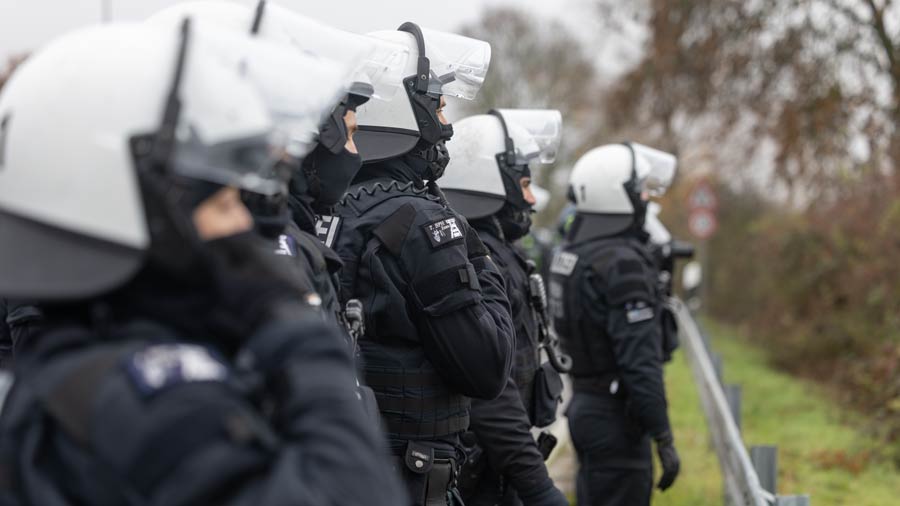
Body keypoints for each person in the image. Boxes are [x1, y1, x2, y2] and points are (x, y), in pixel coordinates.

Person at [0, 22, 405, 505]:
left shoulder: (75, 363)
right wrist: (295, 329)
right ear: (124, 206)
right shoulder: (156, 406)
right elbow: (355, 492)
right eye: (222, 203)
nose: (243, 223)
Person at [328, 22, 515, 506]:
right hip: (409, 476)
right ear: (405, 109)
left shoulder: (329, 206)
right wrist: (482, 261)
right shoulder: (421, 223)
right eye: (436, 100)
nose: (445, 114)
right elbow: (487, 367)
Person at [441, 109, 568, 506]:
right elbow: (492, 398)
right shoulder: (470, 258)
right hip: (479, 476)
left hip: (495, 470)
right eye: (525, 184)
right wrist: (539, 487)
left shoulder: (494, 252)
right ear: (488, 182)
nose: (531, 200)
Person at [548, 142, 681, 506]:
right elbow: (640, 362)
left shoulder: (573, 251)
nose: (645, 199)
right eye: (639, 190)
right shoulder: (622, 262)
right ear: (617, 193)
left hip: (585, 405)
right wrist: (663, 436)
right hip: (615, 419)